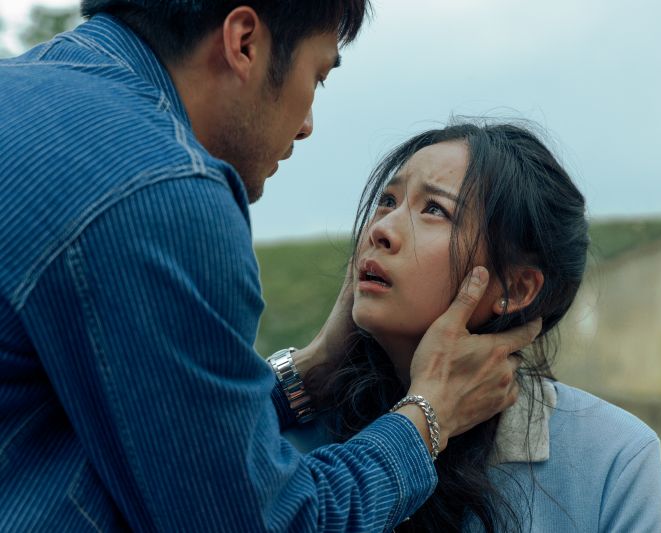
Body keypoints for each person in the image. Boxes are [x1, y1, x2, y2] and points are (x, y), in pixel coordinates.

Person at [0, 2, 537, 531]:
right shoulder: (161, 192)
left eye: (434, 210)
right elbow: (268, 521)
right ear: (244, 43)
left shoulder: (27, 91)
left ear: (519, 287)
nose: (306, 125)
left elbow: (162, 439)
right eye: (318, 76)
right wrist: (429, 414)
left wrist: (310, 370)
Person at [284, 121, 661, 531]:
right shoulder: (291, 430)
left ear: (516, 288)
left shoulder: (614, 457)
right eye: (387, 200)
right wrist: (314, 364)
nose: (381, 230)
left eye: (435, 210)